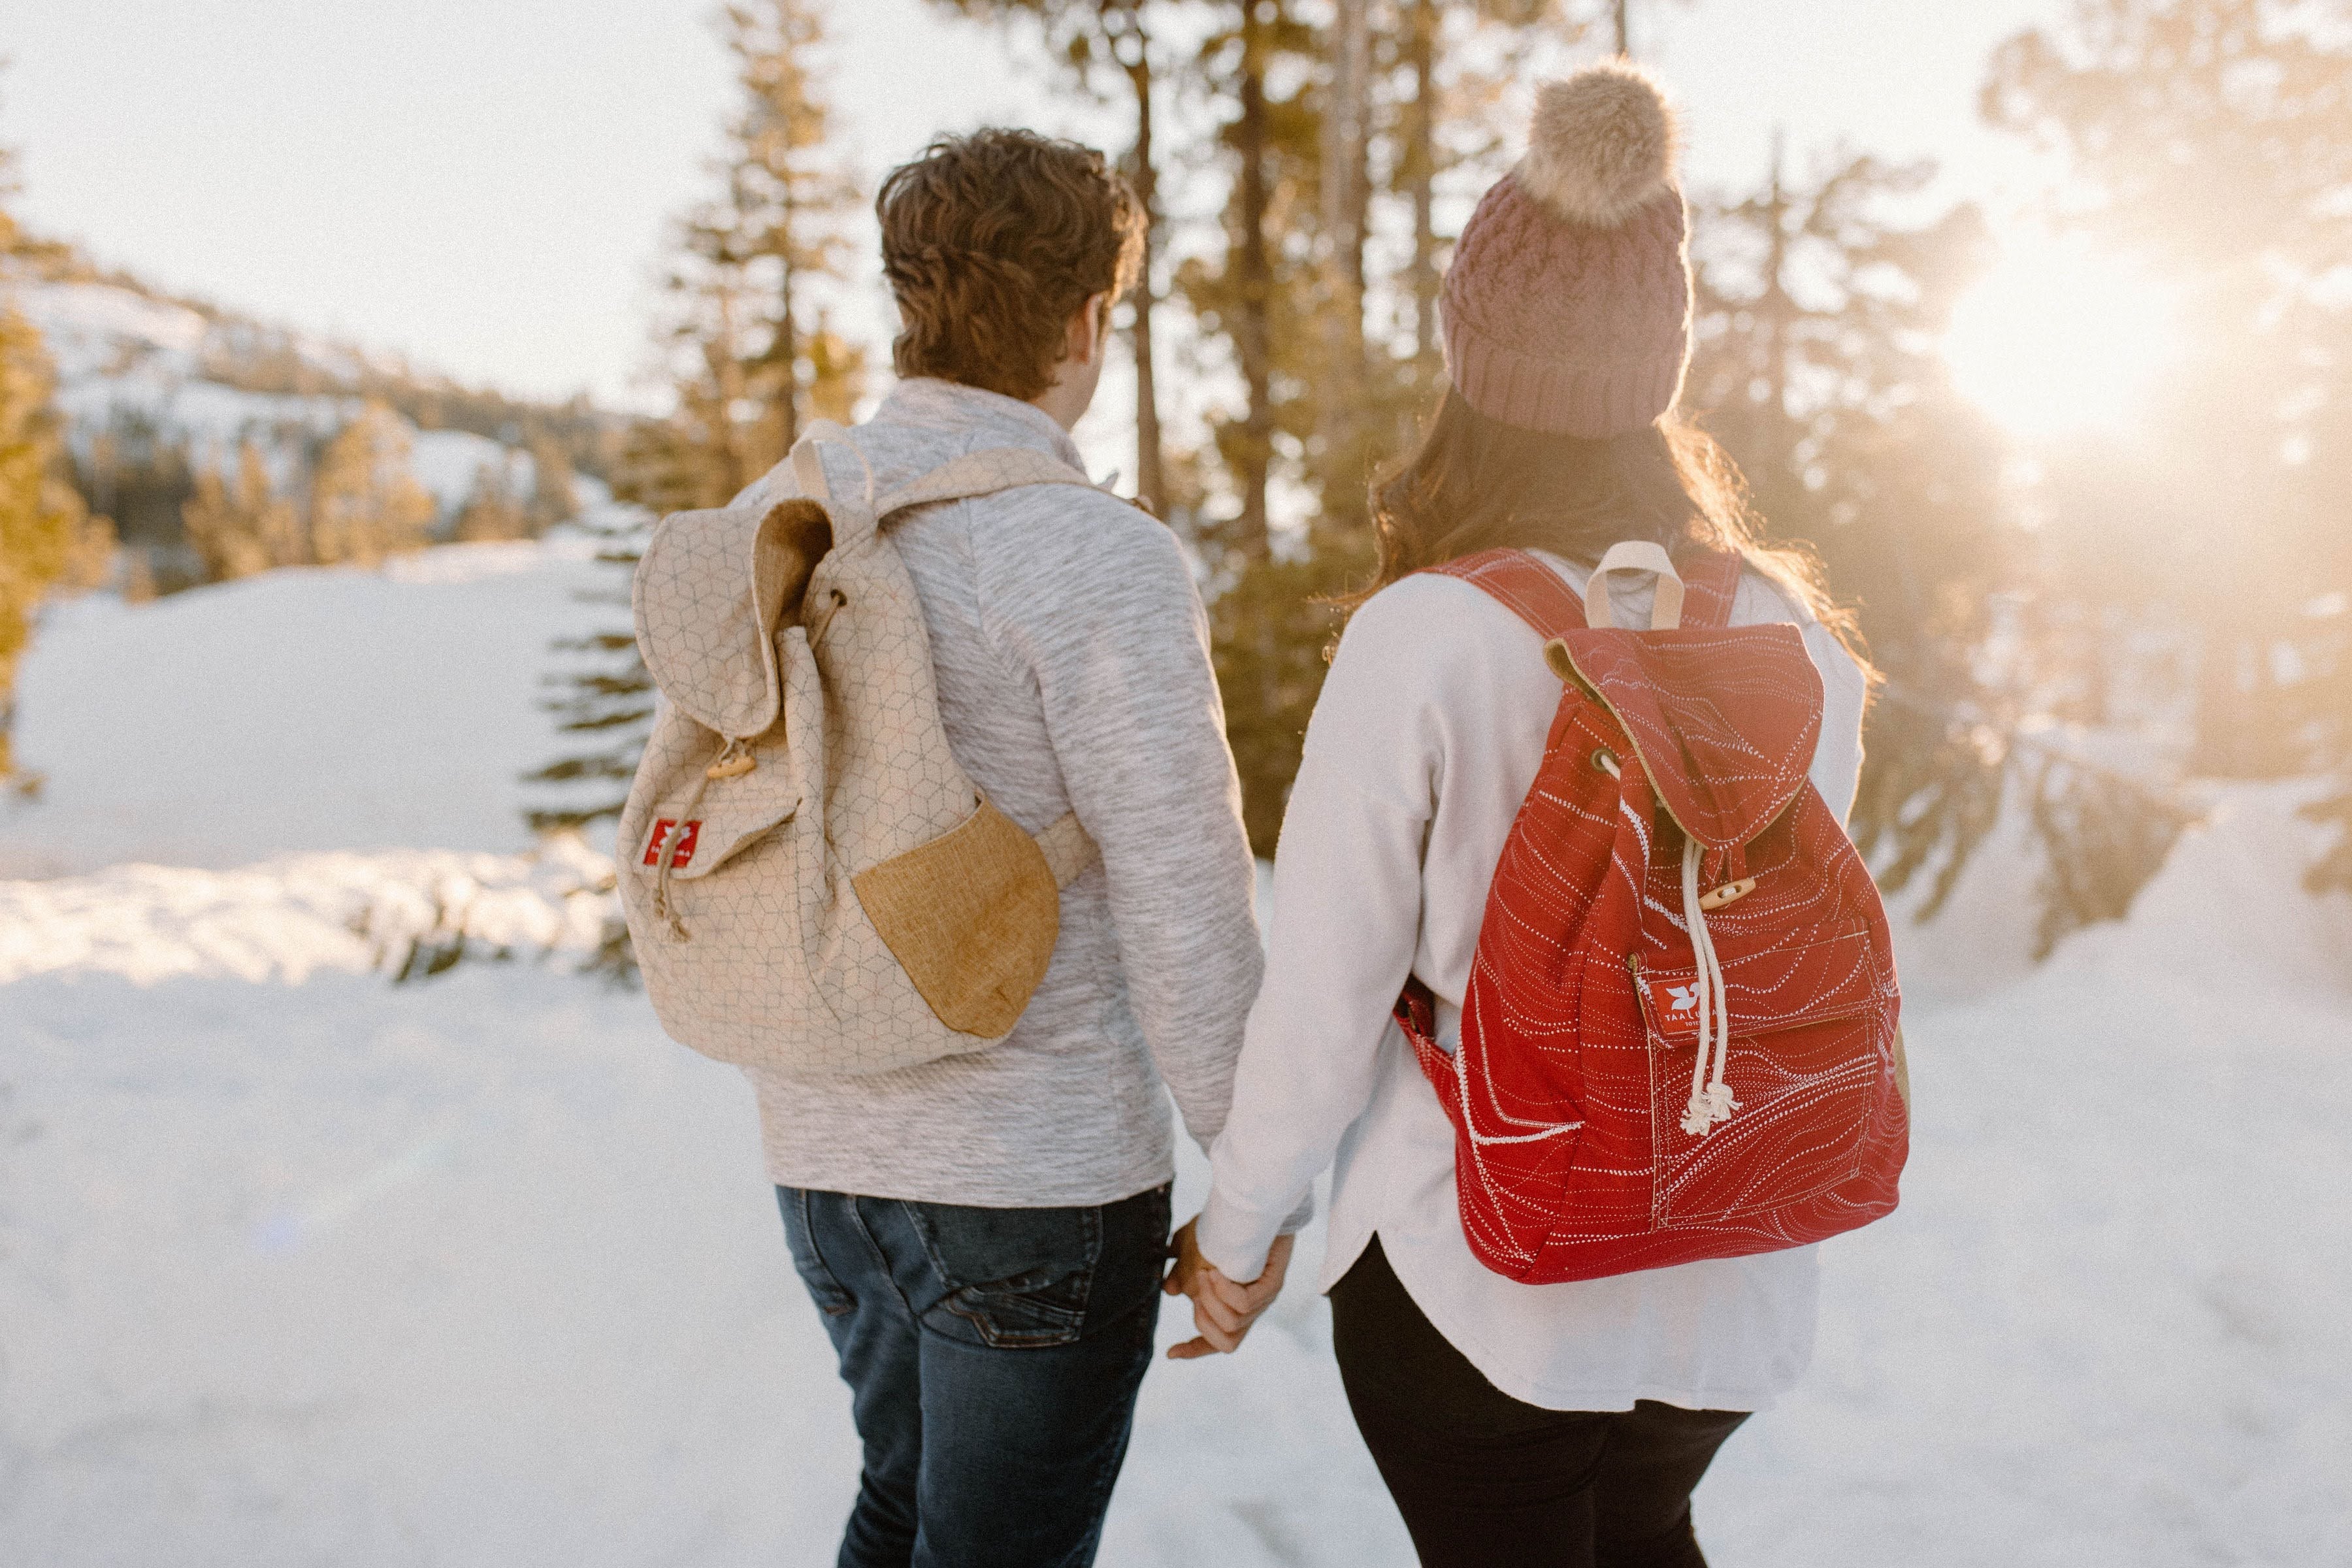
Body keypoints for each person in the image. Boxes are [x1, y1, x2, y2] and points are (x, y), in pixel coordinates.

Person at [1162, 63, 1875, 1567]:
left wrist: (1237, 1242)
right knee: (1644, 1532)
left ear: (1470, 361)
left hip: (1482, 1270)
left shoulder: (1427, 635)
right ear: (1659, 364)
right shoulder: (1793, 634)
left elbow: (1328, 994)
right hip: (1729, 1260)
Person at [753, 129, 1267, 1568]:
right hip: (1031, 1183)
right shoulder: (1089, 553)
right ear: (1091, 317)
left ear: (912, 304)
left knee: (900, 1509)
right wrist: (1258, 1179)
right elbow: (1183, 892)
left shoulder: (797, 519)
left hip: (824, 1153)